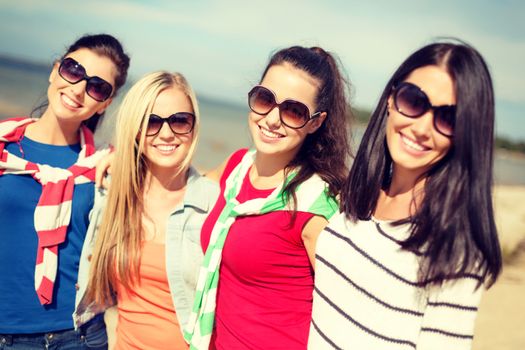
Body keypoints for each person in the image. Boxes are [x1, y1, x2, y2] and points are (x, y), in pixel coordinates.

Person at [309, 40, 503, 349]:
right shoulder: (356, 199)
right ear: (390, 99)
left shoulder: (454, 247)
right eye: (414, 101)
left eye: (448, 118)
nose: (423, 127)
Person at [184, 46, 352, 349]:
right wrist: (122, 161)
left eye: (293, 111)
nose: (272, 119)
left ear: (315, 122)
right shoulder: (237, 167)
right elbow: (184, 186)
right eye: (265, 99)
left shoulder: (316, 205)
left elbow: (345, 313)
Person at [0, 34, 129, 349]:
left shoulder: (105, 165)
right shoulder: (4, 146)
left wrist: (127, 157)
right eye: (73, 70)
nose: (79, 89)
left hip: (76, 336)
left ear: (106, 102)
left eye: (97, 87)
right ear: (55, 70)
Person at [84, 71, 219, 350]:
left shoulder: (214, 205)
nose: (166, 133)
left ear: (194, 126)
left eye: (180, 120)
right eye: (151, 122)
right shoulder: (113, 195)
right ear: (135, 127)